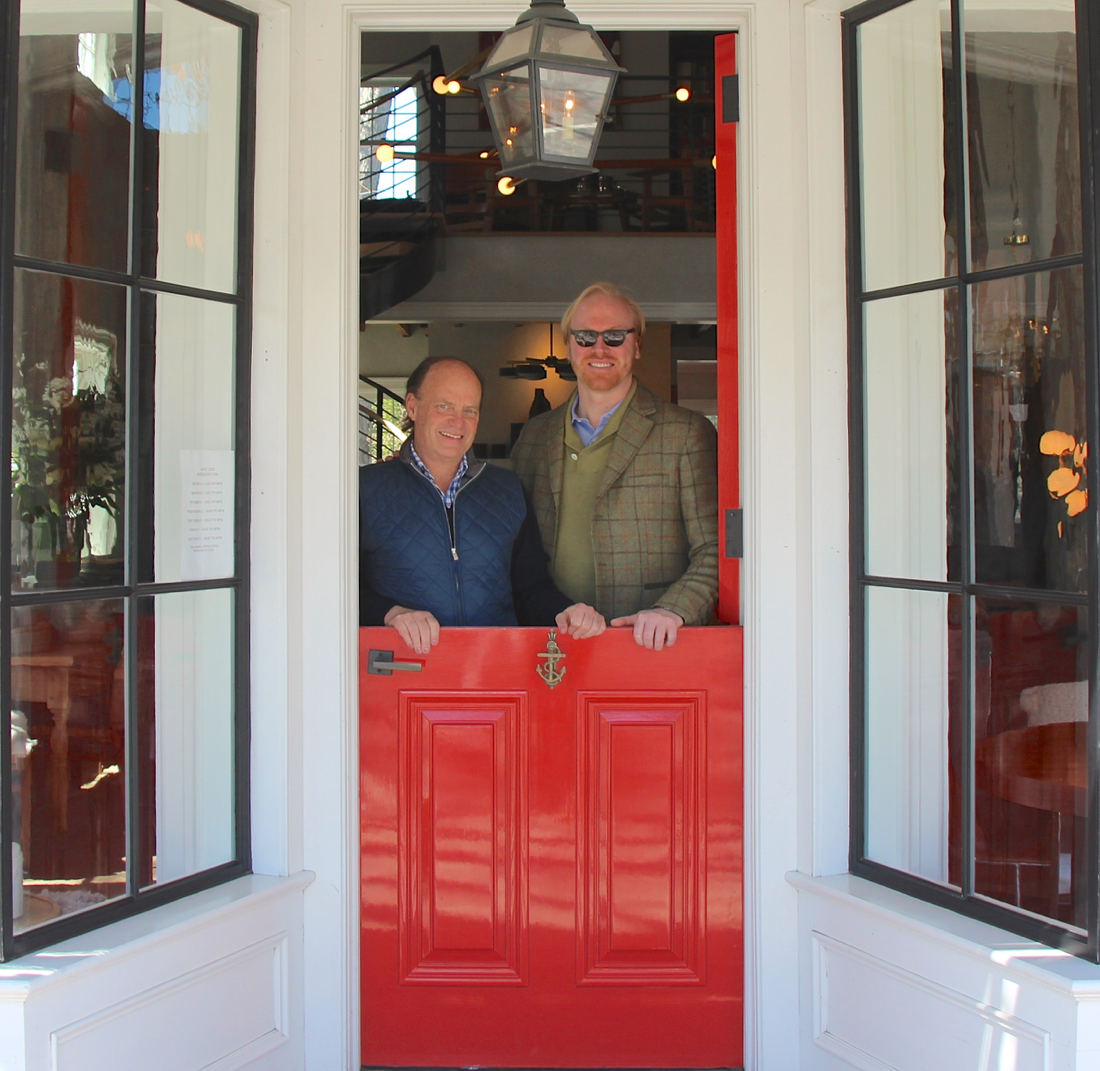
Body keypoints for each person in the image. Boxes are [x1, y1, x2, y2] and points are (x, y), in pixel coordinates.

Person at [512, 283, 718, 650]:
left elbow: (716, 548)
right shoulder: (534, 436)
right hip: (553, 645)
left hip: (650, 647)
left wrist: (673, 609)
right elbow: (514, 549)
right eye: (585, 336)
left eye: (615, 336)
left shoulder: (686, 433)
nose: (599, 348)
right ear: (569, 345)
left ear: (637, 345)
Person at [360, 356, 605, 654]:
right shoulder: (364, 489)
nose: (458, 422)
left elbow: (530, 588)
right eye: (444, 406)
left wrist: (566, 612)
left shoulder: (506, 490)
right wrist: (390, 613)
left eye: (470, 410)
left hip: (493, 665)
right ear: (412, 406)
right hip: (405, 666)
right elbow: (336, 588)